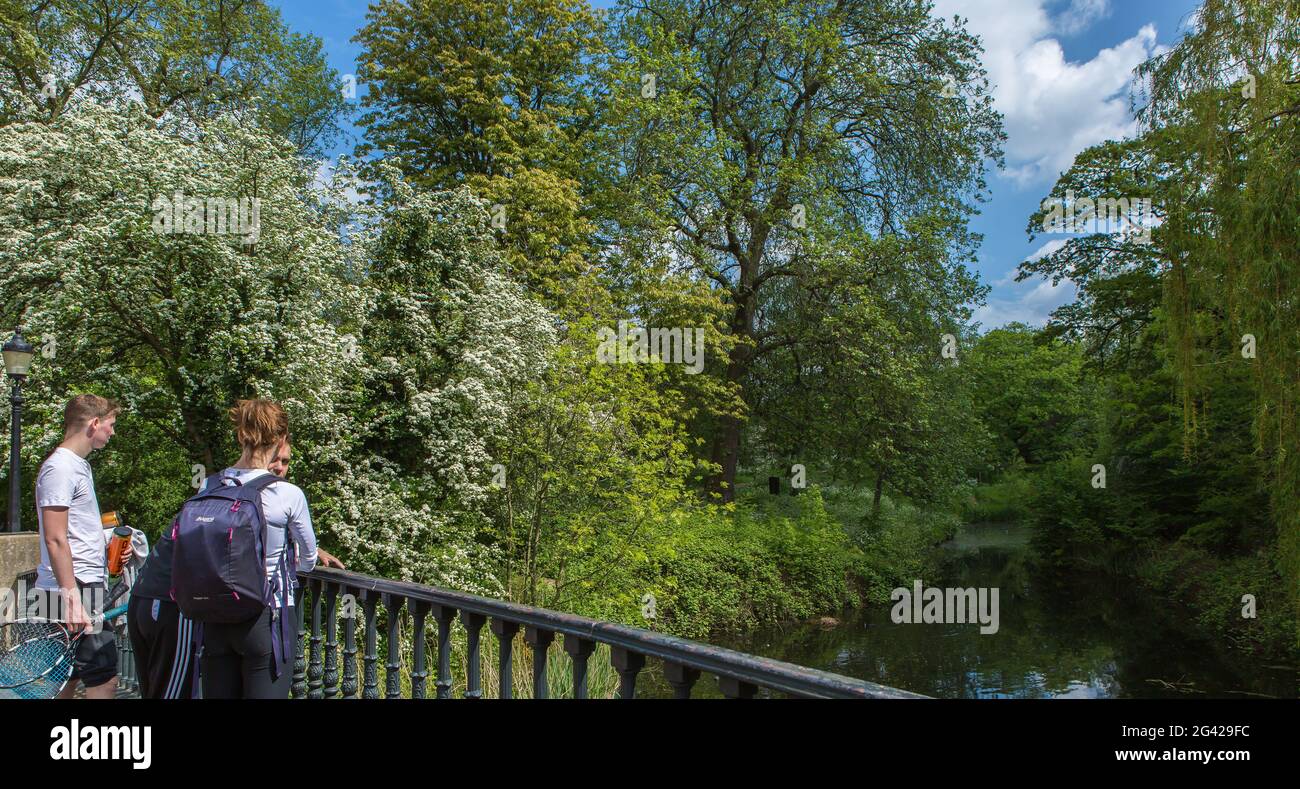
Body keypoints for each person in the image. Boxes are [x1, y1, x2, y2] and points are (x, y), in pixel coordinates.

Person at [199, 399, 317, 698]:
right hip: (267, 615)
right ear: (279, 441)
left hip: (215, 617)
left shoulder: (210, 486)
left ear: (241, 436)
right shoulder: (286, 493)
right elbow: (308, 560)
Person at [33, 394, 121, 699]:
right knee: (103, 679)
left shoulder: (76, 466)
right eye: (110, 425)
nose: (112, 432)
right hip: (75, 587)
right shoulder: (61, 468)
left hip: (73, 585)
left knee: (65, 678)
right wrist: (72, 596)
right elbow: (55, 537)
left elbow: (72, 531)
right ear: (94, 423)